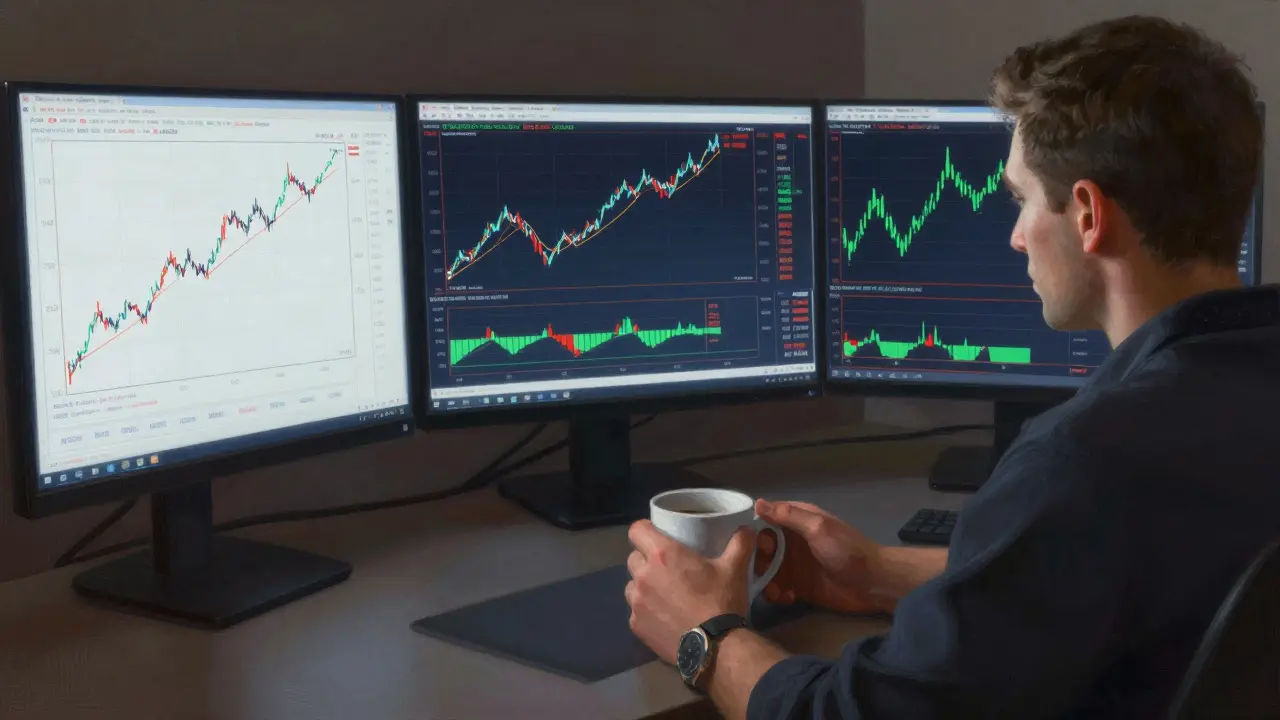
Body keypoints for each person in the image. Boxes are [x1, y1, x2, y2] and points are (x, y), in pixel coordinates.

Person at [624, 14, 1279, 719]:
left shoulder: (1086, 462)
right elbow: (1116, 586)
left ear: (1088, 214)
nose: (1015, 234)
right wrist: (881, 573)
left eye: (1022, 198)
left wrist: (706, 635)